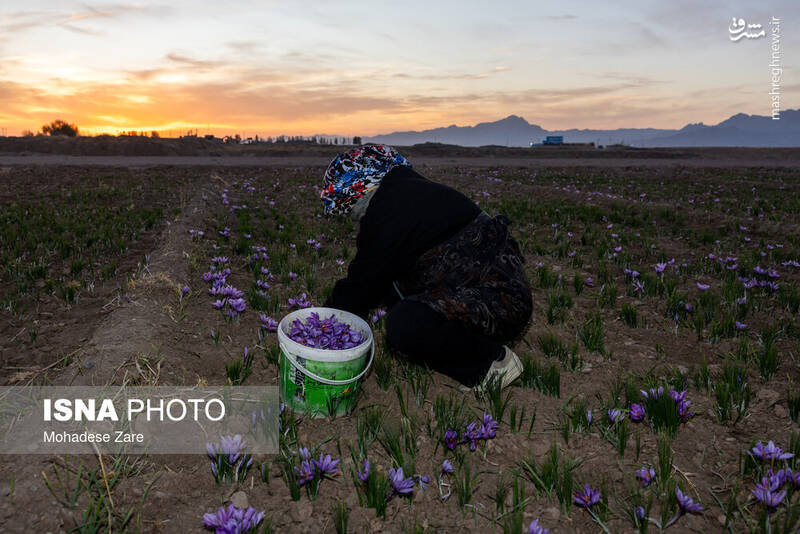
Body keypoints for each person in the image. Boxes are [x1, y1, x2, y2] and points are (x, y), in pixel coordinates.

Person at [321, 144, 532, 390]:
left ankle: (491, 363)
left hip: (498, 303)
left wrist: (324, 328)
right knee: (394, 288)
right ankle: (467, 341)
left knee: (406, 324)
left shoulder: (387, 209)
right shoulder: (411, 193)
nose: (354, 216)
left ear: (357, 189)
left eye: (351, 209)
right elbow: (379, 277)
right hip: (503, 294)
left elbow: (360, 285)